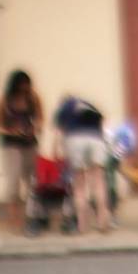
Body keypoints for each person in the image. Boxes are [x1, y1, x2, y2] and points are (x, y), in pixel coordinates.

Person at [0, 70, 44, 230]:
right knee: (13, 181)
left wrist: (35, 128)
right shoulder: (4, 100)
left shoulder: (33, 98)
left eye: (26, 85)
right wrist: (11, 131)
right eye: (21, 85)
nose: (24, 88)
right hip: (10, 144)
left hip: (29, 143)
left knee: (32, 180)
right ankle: (14, 219)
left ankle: (32, 215)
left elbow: (41, 118)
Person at [54, 95, 112, 235]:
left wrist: (56, 149)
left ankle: (82, 225)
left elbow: (59, 131)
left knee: (79, 184)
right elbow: (103, 125)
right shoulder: (89, 105)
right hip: (96, 139)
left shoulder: (65, 107)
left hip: (75, 139)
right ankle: (102, 220)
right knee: (98, 182)